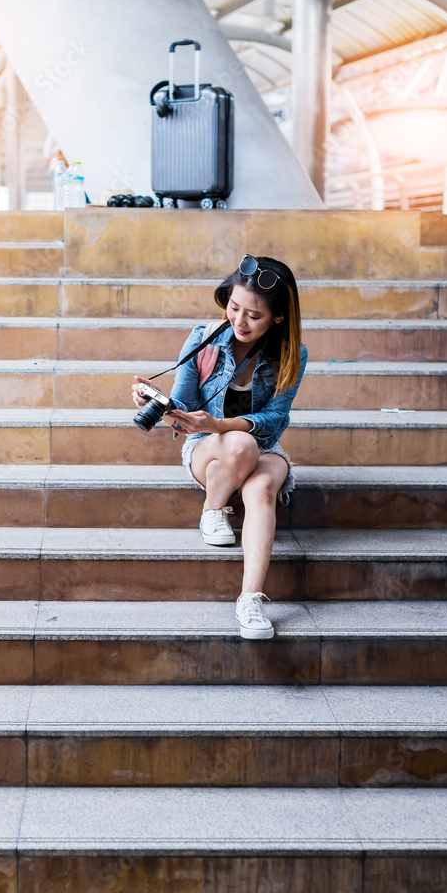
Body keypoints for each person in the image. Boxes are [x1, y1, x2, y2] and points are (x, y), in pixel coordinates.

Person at [131, 255, 308, 641]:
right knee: (239, 445)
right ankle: (214, 508)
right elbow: (180, 408)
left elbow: (276, 418)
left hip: (264, 446)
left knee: (261, 484)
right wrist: (156, 404)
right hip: (205, 446)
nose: (240, 322)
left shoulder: (292, 355)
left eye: (254, 316)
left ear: (278, 318)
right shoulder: (203, 337)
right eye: (234, 308)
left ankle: (250, 600)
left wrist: (222, 423)